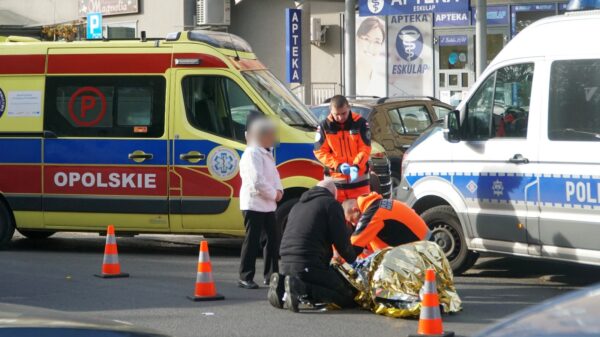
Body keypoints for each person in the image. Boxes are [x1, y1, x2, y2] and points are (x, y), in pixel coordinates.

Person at [267, 179, 358, 312]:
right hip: (309, 262)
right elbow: (341, 241)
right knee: (347, 296)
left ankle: (281, 283)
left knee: (313, 277)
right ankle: (300, 287)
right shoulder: (331, 204)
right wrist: (352, 258)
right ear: (333, 194)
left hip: (286, 263)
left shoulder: (297, 206)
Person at [238, 117, 283, 289]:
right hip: (254, 204)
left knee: (272, 240)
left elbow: (275, 175)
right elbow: (256, 180)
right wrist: (274, 194)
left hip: (267, 205)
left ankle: (272, 275)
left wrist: (279, 191)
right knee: (252, 240)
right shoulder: (252, 153)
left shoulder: (267, 151)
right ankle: (245, 276)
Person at [314, 95, 372, 202]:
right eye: (336, 114)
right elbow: (320, 152)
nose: (340, 118)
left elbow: (365, 148)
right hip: (335, 181)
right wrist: (338, 165)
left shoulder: (360, 123)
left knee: (361, 214)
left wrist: (356, 166)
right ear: (330, 111)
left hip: (359, 180)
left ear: (349, 108)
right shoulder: (324, 126)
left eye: (343, 113)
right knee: (336, 215)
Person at [342, 192, 430, 256]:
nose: (354, 224)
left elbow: (354, 246)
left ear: (355, 210)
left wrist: (339, 256)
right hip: (424, 245)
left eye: (352, 220)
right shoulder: (378, 204)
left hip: (423, 251)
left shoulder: (372, 213)